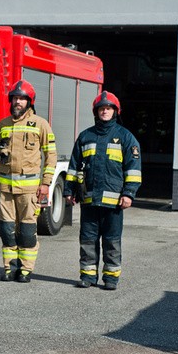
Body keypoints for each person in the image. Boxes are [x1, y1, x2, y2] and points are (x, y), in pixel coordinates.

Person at [64, 91, 142, 290]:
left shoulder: (125, 137)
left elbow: (133, 169)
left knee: (111, 241)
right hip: (89, 200)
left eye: (108, 108)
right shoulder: (85, 136)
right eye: (101, 108)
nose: (104, 111)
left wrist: (129, 193)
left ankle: (111, 278)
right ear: (96, 112)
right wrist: (69, 190)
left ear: (115, 111)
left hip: (114, 202)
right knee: (88, 240)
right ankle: (88, 276)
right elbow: (74, 167)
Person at [0, 80, 57, 283]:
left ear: (30, 101)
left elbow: (51, 156)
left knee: (27, 231)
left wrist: (45, 183)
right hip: (6, 189)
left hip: (29, 190)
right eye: (15, 98)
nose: (17, 102)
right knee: (7, 230)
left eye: (22, 98)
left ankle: (26, 270)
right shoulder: (3, 124)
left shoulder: (41, 124)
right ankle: (9, 268)